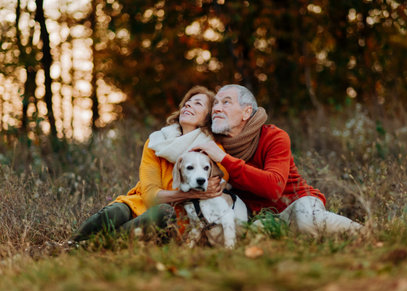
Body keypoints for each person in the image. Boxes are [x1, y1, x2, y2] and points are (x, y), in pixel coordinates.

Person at [194, 84, 362, 236]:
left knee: (306, 222)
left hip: (297, 202)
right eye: (215, 103)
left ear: (246, 112)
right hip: (262, 218)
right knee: (248, 236)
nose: (217, 108)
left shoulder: (273, 136)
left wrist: (224, 159)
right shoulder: (213, 144)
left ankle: (363, 232)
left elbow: (273, 188)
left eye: (226, 102)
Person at [71, 86, 227, 242]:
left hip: (176, 216)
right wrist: (191, 194)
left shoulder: (212, 149)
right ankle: (70, 244)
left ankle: (93, 245)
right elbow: (150, 195)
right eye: (187, 102)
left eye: (198, 103)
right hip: (140, 203)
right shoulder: (157, 142)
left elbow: (217, 184)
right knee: (116, 211)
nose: (188, 105)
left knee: (163, 211)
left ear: (208, 117)